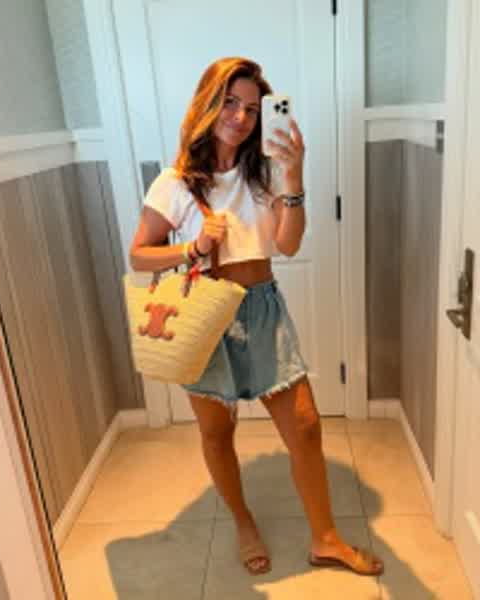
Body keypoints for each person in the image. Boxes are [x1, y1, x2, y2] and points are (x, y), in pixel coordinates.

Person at [130, 56, 383, 578]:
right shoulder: (175, 182)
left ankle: (326, 539)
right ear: (207, 105)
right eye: (229, 103)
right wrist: (193, 247)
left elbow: (287, 244)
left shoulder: (266, 172)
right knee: (217, 433)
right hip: (204, 315)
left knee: (305, 426)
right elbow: (139, 255)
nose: (241, 117)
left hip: (262, 308)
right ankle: (243, 523)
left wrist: (294, 174)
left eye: (251, 108)